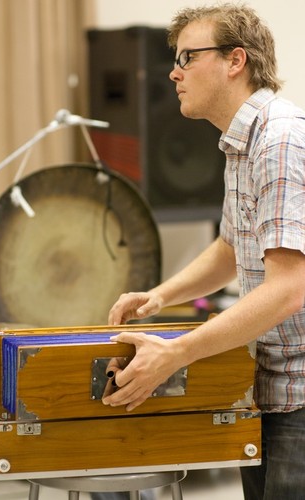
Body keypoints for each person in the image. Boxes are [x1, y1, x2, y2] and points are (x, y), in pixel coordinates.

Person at [101, 4, 305, 500]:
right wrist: (159, 295)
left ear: (236, 61)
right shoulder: (242, 143)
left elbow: (290, 288)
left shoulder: (279, 139)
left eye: (188, 57)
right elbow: (232, 247)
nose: (174, 71)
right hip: (269, 394)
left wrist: (176, 354)